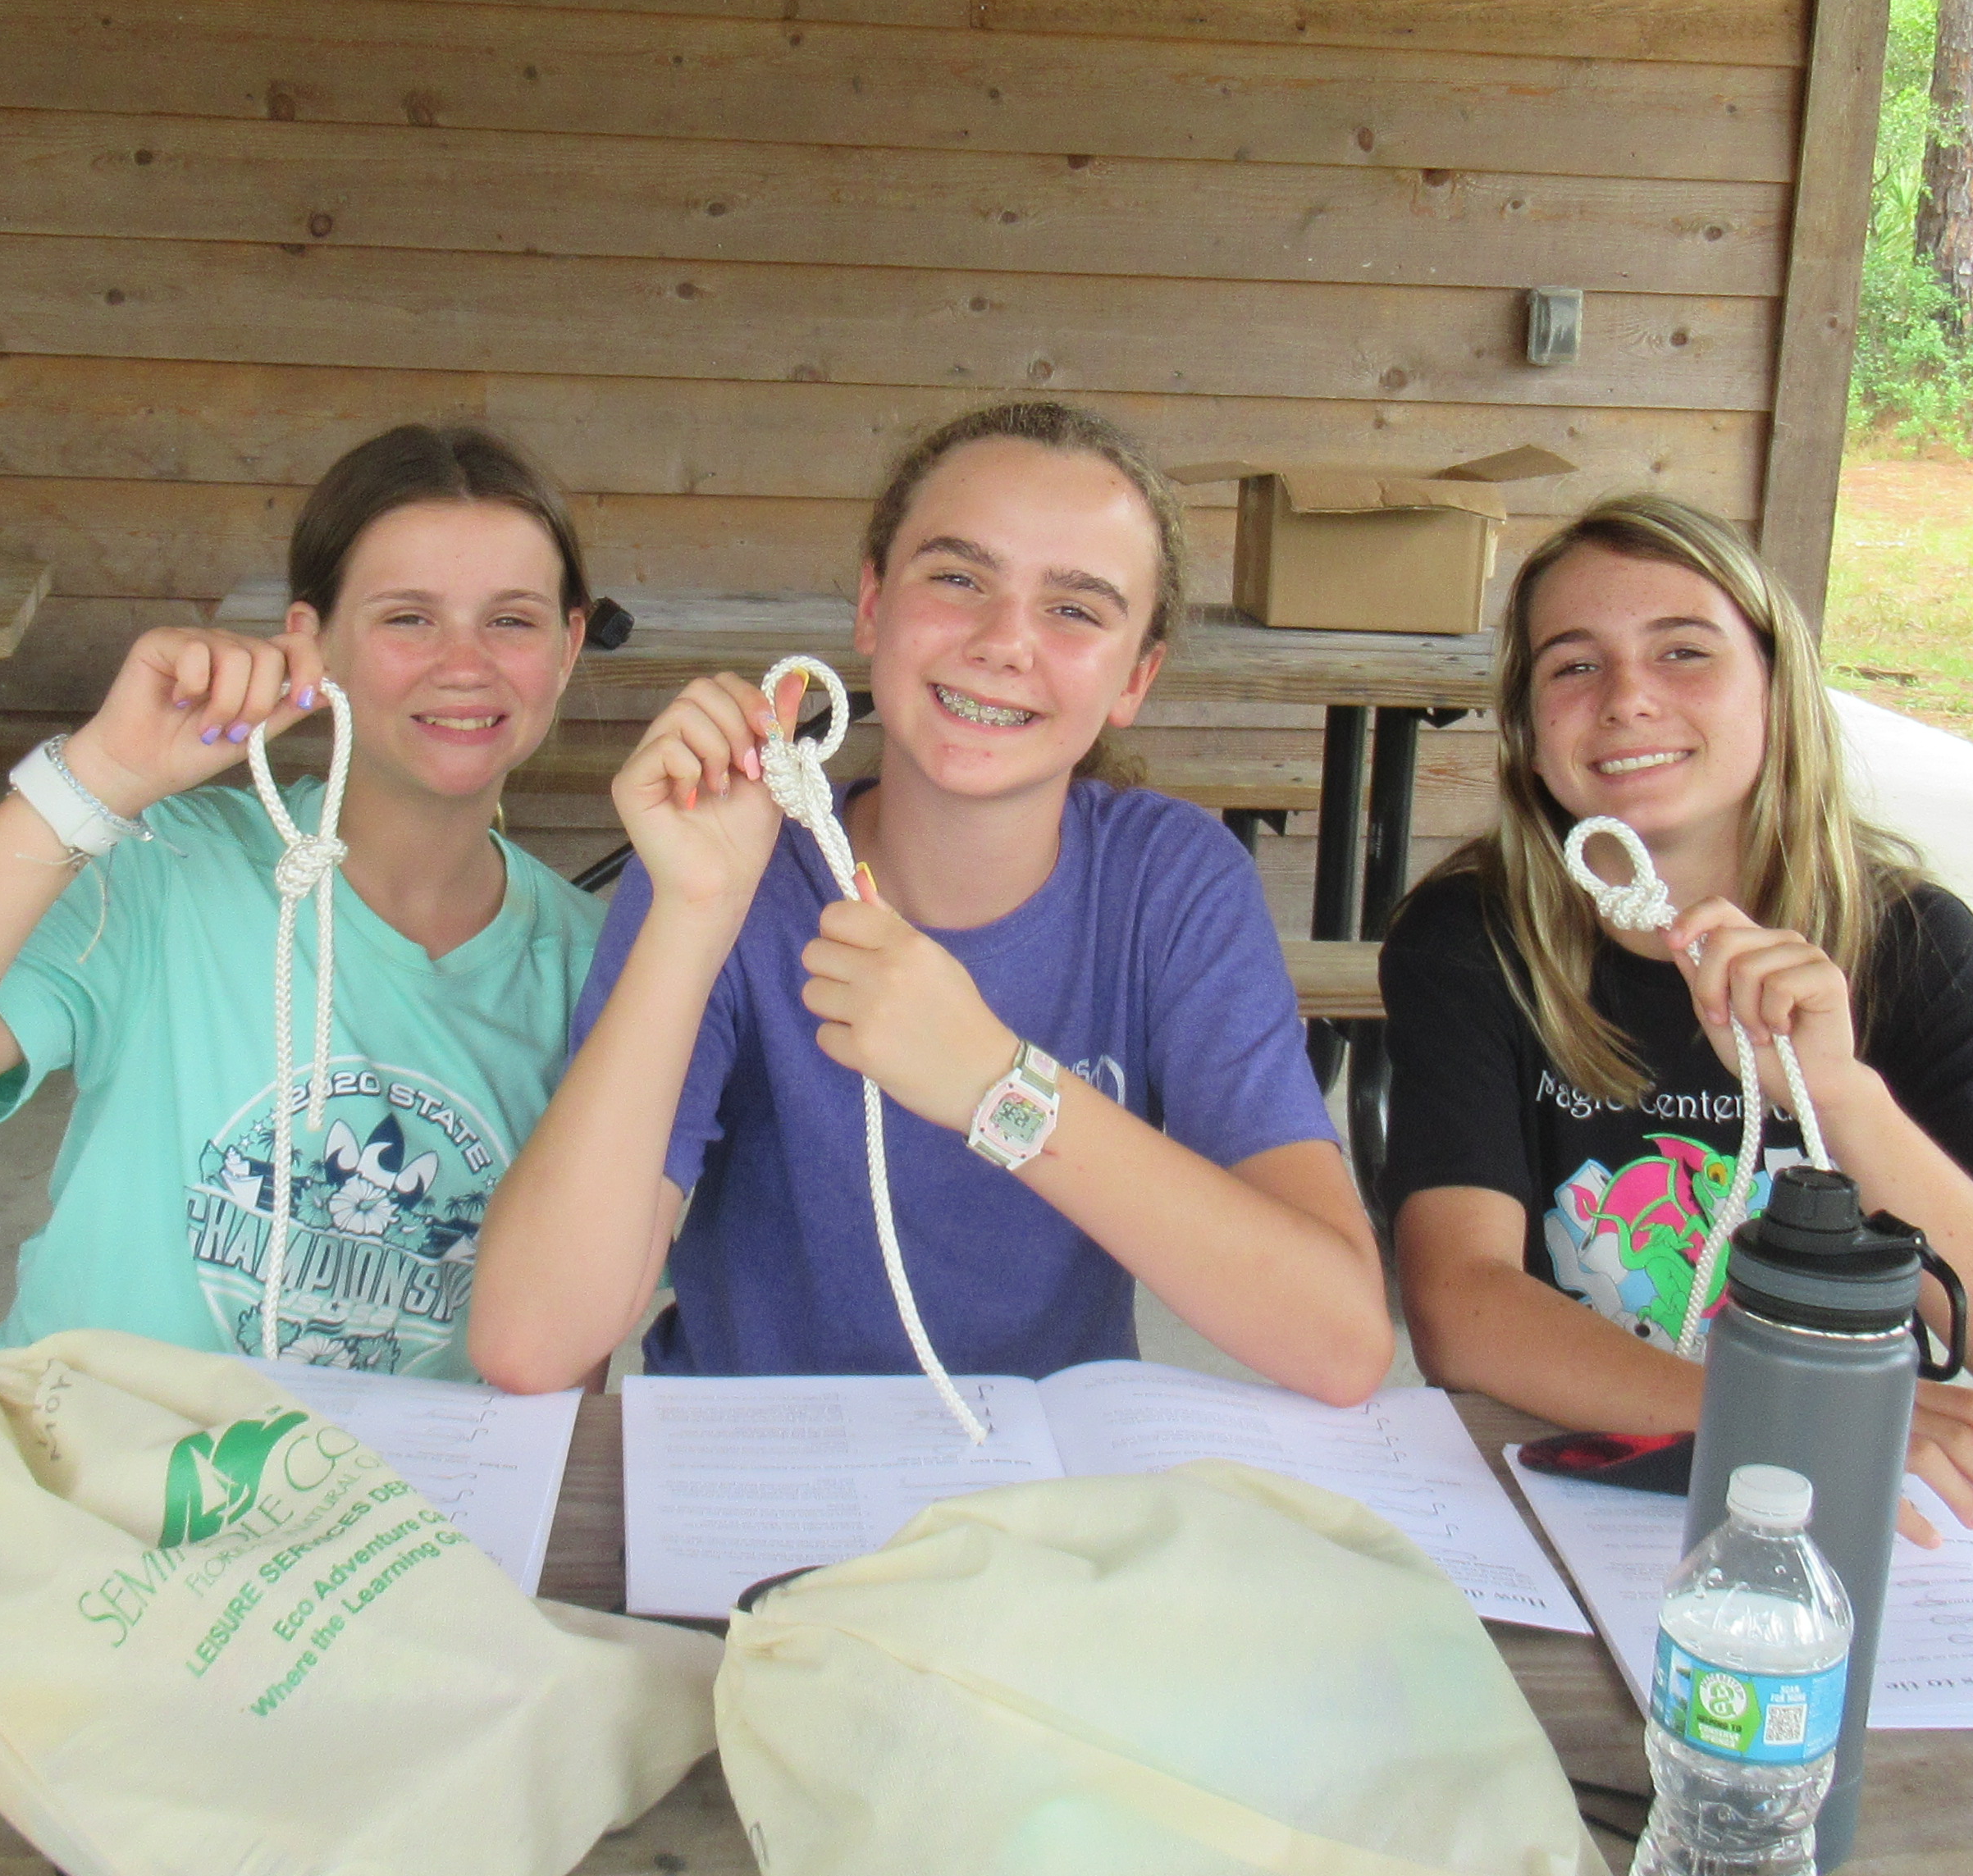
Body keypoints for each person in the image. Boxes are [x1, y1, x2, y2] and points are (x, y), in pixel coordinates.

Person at [471, 399, 1392, 1400]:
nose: (1004, 640)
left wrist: (997, 1086)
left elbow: (1340, 1341)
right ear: (873, 605)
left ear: (1137, 678)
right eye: (958, 577)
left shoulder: (1169, 882)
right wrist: (695, 910)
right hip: (751, 1475)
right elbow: (531, 1343)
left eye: (1076, 608)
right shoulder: (732, 860)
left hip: (1039, 1493)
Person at [0, 424, 599, 1372]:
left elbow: (571, 1350)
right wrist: (103, 775)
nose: (465, 664)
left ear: (569, 644)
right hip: (86, 1465)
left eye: (513, 619)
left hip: (396, 1507)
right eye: (407, 618)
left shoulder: (599, 966)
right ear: (311, 641)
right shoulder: (166, 865)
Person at [1378, 494, 1973, 1538]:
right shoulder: (1471, 937)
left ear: (1779, 688)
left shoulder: (1917, 948)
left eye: (1683, 652)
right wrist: (1789, 1417)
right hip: (1575, 1487)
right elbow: (1460, 1309)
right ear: (1529, 736)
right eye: (1573, 666)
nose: (1627, 698)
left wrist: (1841, 1099)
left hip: (1853, 1513)